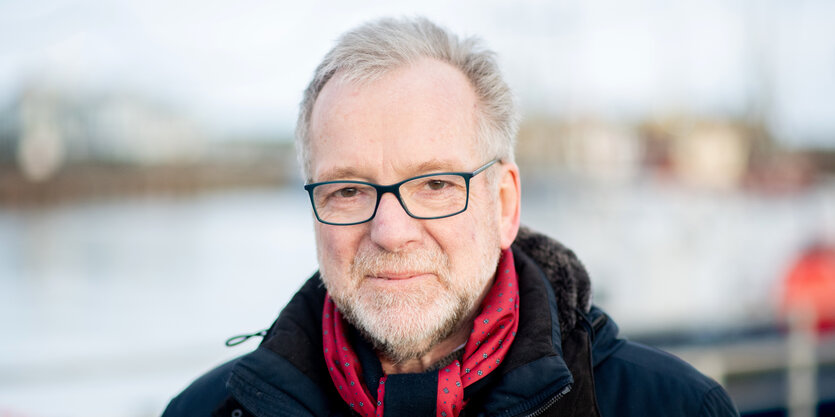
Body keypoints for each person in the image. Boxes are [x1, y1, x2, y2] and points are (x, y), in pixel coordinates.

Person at [163, 17, 739, 417]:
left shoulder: (674, 409)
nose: (389, 232)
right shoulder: (201, 414)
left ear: (504, 204)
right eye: (348, 190)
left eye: (436, 184)